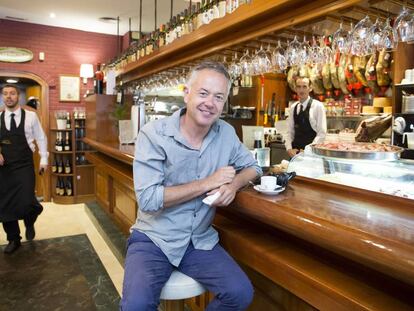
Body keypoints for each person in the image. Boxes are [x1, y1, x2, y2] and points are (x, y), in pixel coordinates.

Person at [121, 62, 262, 311]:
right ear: (187, 92)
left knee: (239, 293)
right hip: (154, 238)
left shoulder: (226, 133)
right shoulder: (153, 134)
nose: (210, 103)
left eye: (219, 97)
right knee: (136, 306)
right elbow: (149, 200)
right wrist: (208, 182)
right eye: (203, 93)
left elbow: (254, 168)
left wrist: (234, 185)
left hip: (199, 241)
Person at [0, 84, 48, 254]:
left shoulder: (30, 117)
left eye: (12, 93)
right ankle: (14, 239)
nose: (8, 96)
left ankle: (30, 220)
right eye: (5, 94)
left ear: (18, 96)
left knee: (27, 200)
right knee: (5, 205)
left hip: (24, 165)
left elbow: (41, 138)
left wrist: (44, 159)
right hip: (4, 168)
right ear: (2, 97)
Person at [285, 77, 327, 158]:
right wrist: (289, 149)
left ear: (310, 88)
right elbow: (289, 132)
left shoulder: (318, 106)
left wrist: (307, 150)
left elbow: (322, 133)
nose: (301, 90)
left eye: (304, 86)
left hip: (311, 155)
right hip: (295, 154)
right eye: (298, 87)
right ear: (295, 89)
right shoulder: (293, 107)